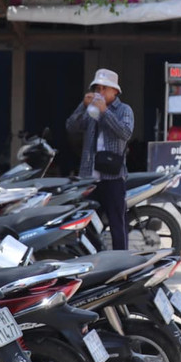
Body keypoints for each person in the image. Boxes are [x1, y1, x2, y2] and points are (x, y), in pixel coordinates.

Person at [66, 68, 134, 250]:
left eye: (105, 88)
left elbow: (125, 132)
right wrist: (83, 105)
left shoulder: (124, 110)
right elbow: (71, 126)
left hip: (113, 177)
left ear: (115, 91)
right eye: (97, 88)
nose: (100, 92)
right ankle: (94, 259)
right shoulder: (91, 109)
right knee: (86, 224)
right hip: (89, 177)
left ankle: (120, 261)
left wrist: (105, 112)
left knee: (117, 223)